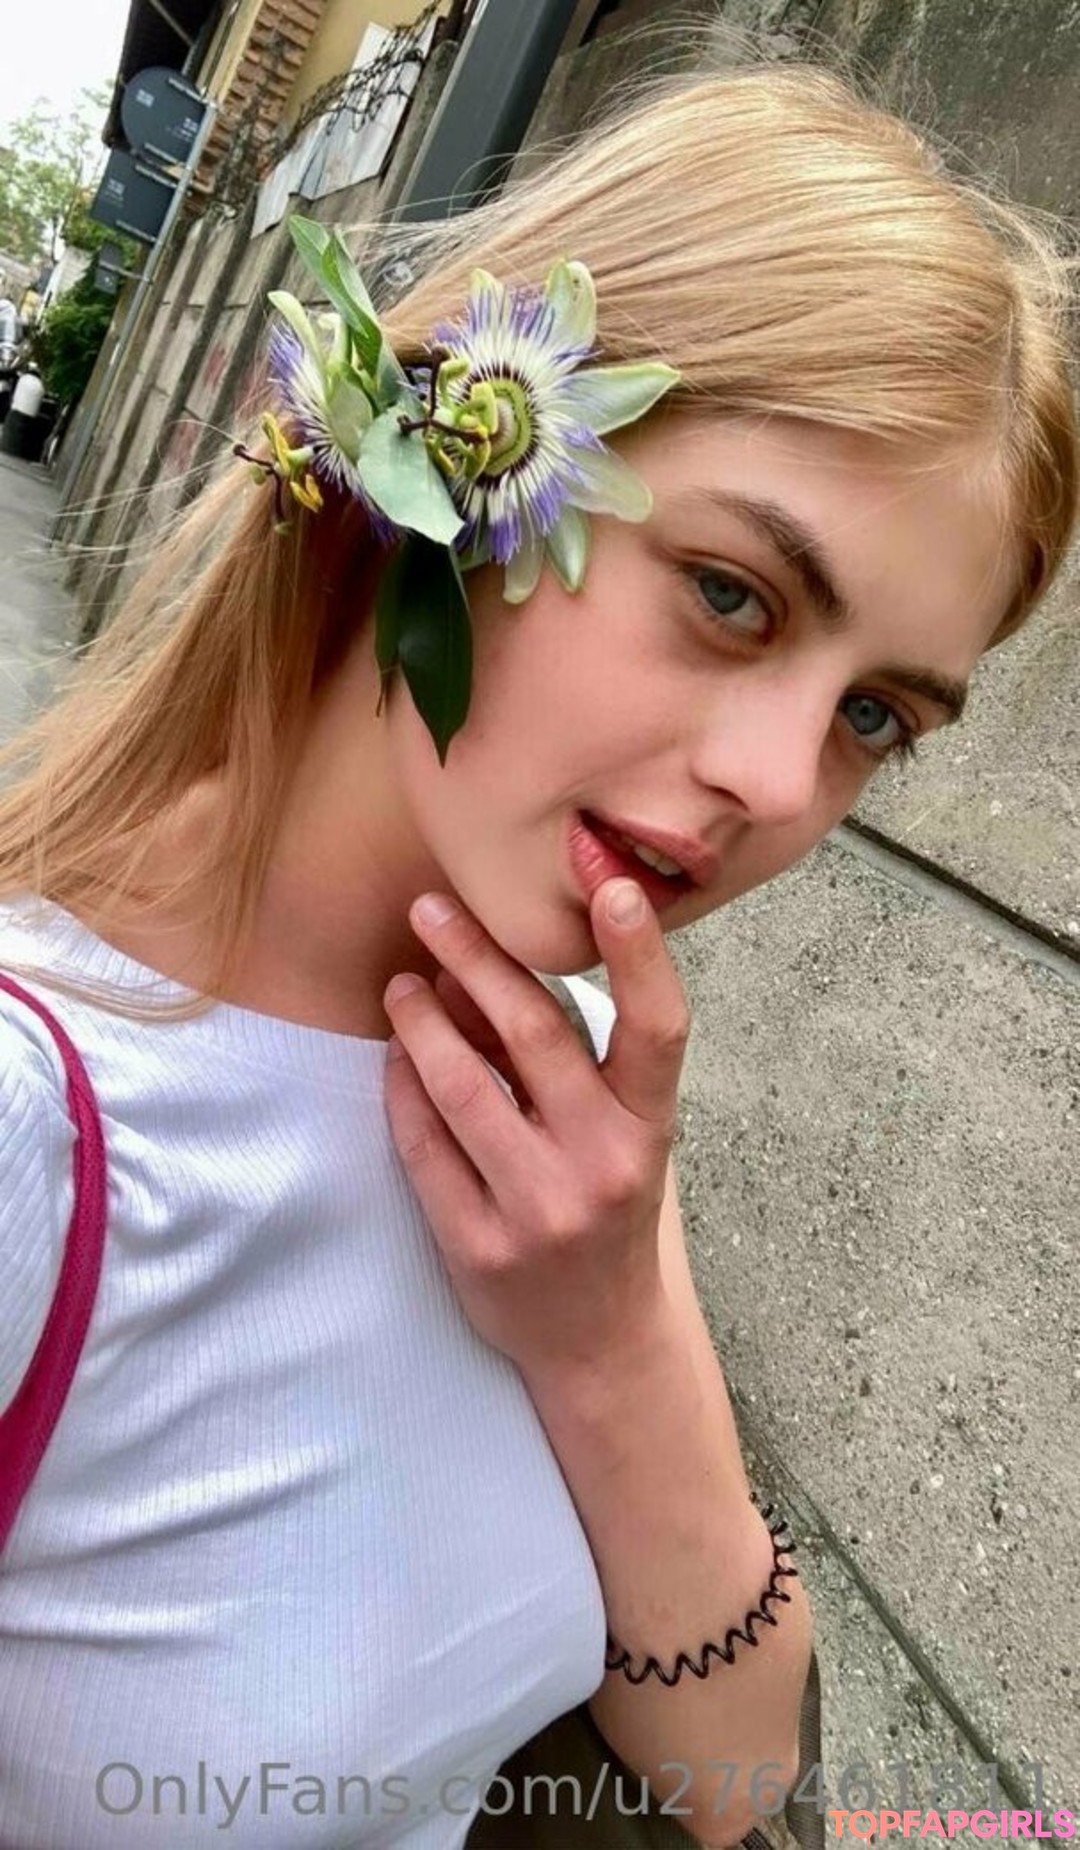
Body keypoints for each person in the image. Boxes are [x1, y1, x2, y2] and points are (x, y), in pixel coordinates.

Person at [0, 56, 1075, 1850]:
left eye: (875, 717)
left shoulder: (548, 1077)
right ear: (456, 460)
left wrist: (611, 1338)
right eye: (732, 594)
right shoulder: (44, 1123)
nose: (780, 785)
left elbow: (740, 1772)